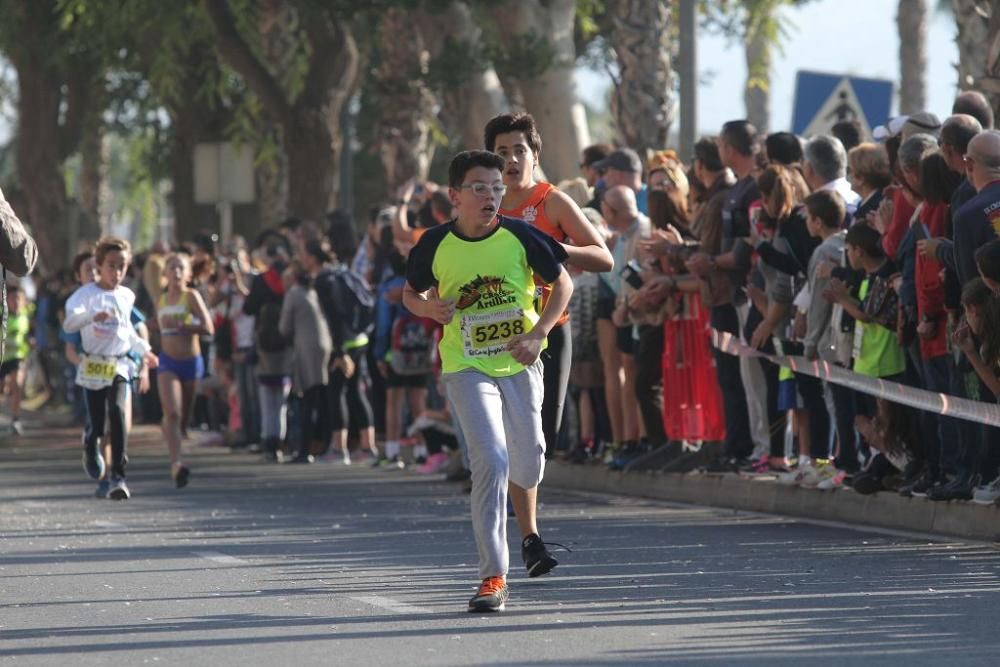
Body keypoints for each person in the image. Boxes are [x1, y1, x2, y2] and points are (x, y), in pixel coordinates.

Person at [403, 150, 572, 613]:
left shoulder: (521, 236)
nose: (490, 196)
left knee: (530, 460)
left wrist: (539, 334)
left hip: (519, 363)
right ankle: (493, 576)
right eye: (479, 188)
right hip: (466, 365)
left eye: (497, 188)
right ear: (455, 196)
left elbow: (564, 285)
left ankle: (520, 529)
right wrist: (428, 308)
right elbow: (409, 293)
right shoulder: (435, 243)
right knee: (491, 460)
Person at [485, 113, 612, 559]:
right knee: (505, 438)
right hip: (493, 339)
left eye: (520, 150)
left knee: (541, 439)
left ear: (535, 156)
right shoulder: (481, 207)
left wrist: (561, 249)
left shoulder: (552, 202)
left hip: (550, 333)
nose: (512, 160)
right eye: (501, 152)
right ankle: (529, 537)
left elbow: (603, 256)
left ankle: (518, 515)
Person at [63, 237, 158, 500]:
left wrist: (145, 352)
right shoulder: (84, 296)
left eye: (122, 267)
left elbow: (127, 332)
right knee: (96, 421)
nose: (117, 273)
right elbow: (69, 325)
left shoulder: (126, 296)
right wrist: (92, 316)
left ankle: (118, 475)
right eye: (111, 266)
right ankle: (90, 445)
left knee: (117, 412)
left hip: (118, 364)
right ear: (100, 265)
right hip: (93, 364)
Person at [155, 253, 214, 486]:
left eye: (181, 268)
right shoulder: (160, 301)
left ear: (189, 273)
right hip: (167, 362)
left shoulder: (192, 297)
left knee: (182, 419)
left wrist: (185, 325)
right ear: (165, 273)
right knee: (173, 412)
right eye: (172, 268)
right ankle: (176, 463)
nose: (176, 272)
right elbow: (156, 326)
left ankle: (174, 431)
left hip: (191, 362)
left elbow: (208, 328)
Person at [279, 245, 333, 464]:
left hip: (306, 349)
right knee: (325, 400)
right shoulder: (313, 291)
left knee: (308, 401)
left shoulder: (293, 294)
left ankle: (304, 450)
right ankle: (325, 445)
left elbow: (284, 327)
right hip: (325, 346)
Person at [1, 285, 30, 435]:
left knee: (17, 385)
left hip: (17, 357)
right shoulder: (2, 314)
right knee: (3, 389)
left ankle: (15, 420)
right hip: (1, 358)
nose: (16, 302)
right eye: (13, 298)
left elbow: (30, 333)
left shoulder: (26, 315)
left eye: (19, 298)